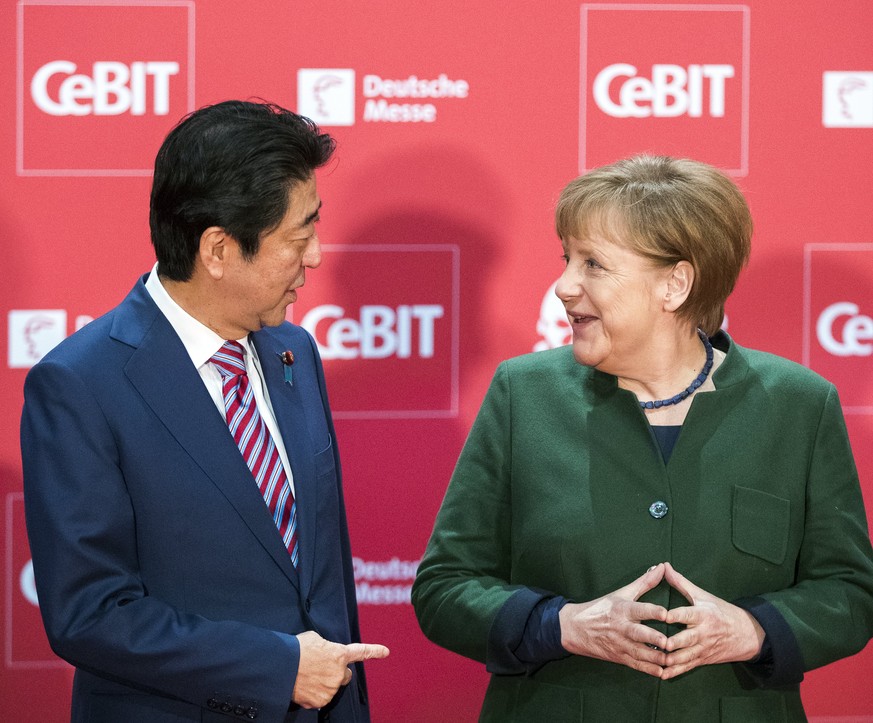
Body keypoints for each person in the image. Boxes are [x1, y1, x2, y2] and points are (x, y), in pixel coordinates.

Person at [412, 154, 873, 721]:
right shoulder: (522, 394)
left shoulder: (799, 406)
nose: (562, 286)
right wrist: (559, 626)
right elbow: (444, 588)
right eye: (567, 259)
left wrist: (755, 630)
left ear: (674, 285)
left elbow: (849, 594)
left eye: (594, 265)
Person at [21, 100, 388, 723]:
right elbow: (90, 613)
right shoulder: (80, 385)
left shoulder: (293, 350)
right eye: (298, 237)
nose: (317, 256)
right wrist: (276, 668)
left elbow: (316, 574)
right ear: (217, 248)